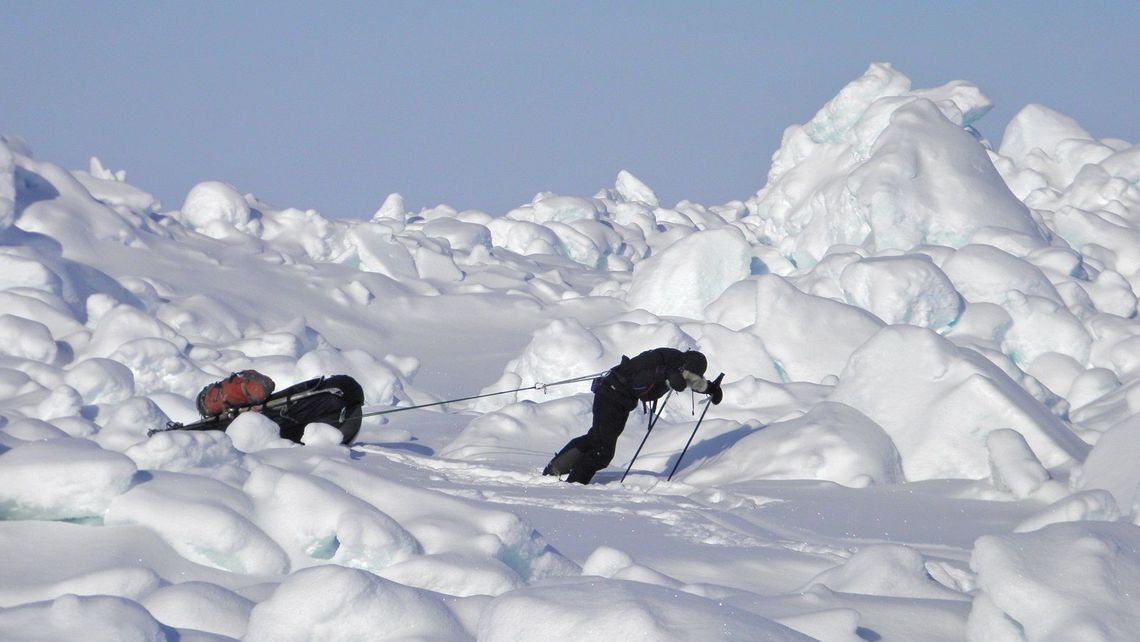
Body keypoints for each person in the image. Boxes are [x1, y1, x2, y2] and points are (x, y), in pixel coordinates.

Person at [543, 347, 722, 484]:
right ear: (683, 366)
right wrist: (665, 374)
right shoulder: (661, 362)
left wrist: (709, 388)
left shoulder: (677, 365)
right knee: (602, 451)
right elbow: (637, 379)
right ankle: (574, 485)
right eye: (687, 375)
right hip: (611, 395)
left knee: (596, 438)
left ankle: (555, 469)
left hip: (617, 399)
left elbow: (689, 380)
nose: (686, 380)